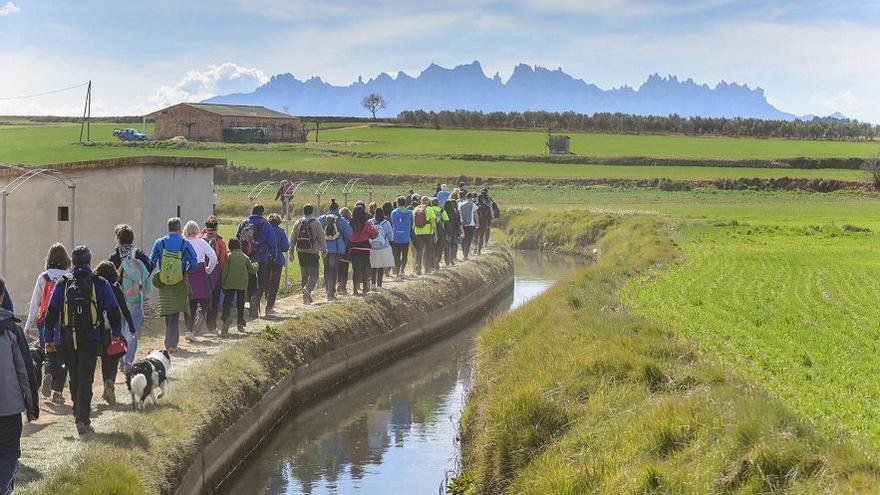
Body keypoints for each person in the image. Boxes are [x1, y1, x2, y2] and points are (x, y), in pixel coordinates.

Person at [43, 246, 121, 435]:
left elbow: (51, 312)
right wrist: (116, 333)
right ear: (89, 261)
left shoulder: (63, 283)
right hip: (92, 338)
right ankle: (83, 419)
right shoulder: (100, 283)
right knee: (86, 377)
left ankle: (78, 411)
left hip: (68, 338)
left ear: (73, 261)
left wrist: (48, 339)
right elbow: (113, 309)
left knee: (75, 376)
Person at [0, 279, 39, 494]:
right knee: (8, 454)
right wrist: (32, 407)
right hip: (9, 408)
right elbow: (25, 371)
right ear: (2, 297)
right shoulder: (12, 330)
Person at [23, 243, 70, 404]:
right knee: (63, 357)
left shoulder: (43, 277)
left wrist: (28, 326)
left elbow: (35, 303)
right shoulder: (69, 277)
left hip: (45, 322)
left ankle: (47, 374)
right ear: (66, 259)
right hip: (64, 322)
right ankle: (57, 392)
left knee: (49, 354)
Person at [109, 224, 154, 374]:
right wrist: (139, 283)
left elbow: (108, 276)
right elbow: (150, 265)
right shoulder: (137, 253)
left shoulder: (114, 256)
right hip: (134, 297)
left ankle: (120, 359)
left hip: (117, 299)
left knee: (119, 330)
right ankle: (127, 362)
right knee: (132, 331)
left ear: (118, 239)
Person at [151, 217, 198, 353]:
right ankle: (172, 342)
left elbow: (152, 261)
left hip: (164, 281)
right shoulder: (185, 243)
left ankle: (168, 341)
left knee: (167, 310)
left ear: (168, 228)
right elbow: (194, 262)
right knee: (175, 312)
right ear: (179, 228)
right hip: (179, 281)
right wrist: (186, 271)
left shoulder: (159, 243)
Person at [94, 261, 136, 406]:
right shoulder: (116, 288)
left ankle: (106, 388)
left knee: (103, 359)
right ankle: (110, 383)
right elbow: (124, 308)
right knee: (112, 358)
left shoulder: (96, 287)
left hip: (98, 330)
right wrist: (131, 327)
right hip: (114, 329)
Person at [236, 205, 278, 317]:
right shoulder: (266, 224)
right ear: (261, 213)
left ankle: (252, 307)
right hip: (262, 258)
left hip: (247, 258)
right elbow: (272, 242)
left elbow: (236, 239)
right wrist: (273, 256)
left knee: (250, 283)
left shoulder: (243, 223)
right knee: (262, 283)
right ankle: (255, 300)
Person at [184, 221, 218, 341]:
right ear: (197, 230)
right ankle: (201, 313)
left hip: (188, 274)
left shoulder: (184, 242)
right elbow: (213, 257)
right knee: (205, 298)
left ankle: (189, 330)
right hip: (201, 272)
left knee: (190, 304)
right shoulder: (202, 242)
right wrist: (208, 269)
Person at [291, 204, 326, 305]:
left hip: (301, 252)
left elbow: (293, 237)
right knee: (314, 274)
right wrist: (324, 249)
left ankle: (305, 299)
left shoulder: (298, 222)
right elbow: (321, 237)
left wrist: (291, 250)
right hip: (312, 252)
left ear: (303, 211)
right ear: (312, 211)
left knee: (304, 275)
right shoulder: (316, 223)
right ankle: (308, 289)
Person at [221, 238, 255, 335]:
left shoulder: (229, 256)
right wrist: (256, 265)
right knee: (240, 303)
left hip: (230, 283)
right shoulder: (244, 256)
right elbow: (252, 270)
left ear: (230, 246)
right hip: (242, 283)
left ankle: (225, 318)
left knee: (227, 302)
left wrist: (223, 283)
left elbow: (225, 271)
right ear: (239, 246)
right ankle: (240, 322)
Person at [319, 200, 352, 301]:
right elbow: (350, 234)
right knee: (333, 270)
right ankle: (331, 294)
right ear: (337, 209)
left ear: (329, 208)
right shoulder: (341, 220)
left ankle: (328, 290)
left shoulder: (322, 219)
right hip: (337, 249)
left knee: (326, 269)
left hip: (324, 248)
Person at [200, 216, 227, 333]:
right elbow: (223, 260)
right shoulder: (220, 241)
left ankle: (198, 322)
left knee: (201, 299)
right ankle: (211, 326)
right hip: (215, 274)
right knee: (215, 300)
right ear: (217, 227)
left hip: (200, 273)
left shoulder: (200, 239)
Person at [348, 205, 378, 296]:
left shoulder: (351, 223)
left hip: (354, 248)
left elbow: (348, 234)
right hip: (365, 248)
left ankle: (355, 290)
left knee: (355, 269)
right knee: (365, 268)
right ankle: (365, 288)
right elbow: (374, 234)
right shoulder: (366, 223)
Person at [265, 213, 290, 314]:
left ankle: (264, 299)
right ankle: (269, 306)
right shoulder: (280, 232)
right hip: (277, 260)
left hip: (265, 259)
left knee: (265, 281)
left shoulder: (265, 231)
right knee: (274, 283)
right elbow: (285, 247)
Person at [369, 208, 394, 290]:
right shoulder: (386, 223)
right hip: (383, 247)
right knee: (381, 266)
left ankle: (373, 284)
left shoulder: (370, 222)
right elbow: (391, 236)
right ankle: (379, 285)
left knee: (373, 266)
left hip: (372, 247)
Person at [412, 197, 436, 275]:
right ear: (428, 202)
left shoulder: (415, 209)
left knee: (419, 251)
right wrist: (435, 234)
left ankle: (418, 268)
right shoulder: (429, 209)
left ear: (421, 201)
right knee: (428, 251)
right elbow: (433, 223)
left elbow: (413, 222)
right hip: (428, 232)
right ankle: (427, 269)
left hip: (417, 232)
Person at [390, 196, 413, 278]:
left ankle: (397, 271)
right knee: (404, 254)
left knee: (396, 255)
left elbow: (393, 223)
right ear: (405, 203)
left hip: (396, 236)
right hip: (406, 236)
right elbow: (412, 224)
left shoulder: (393, 212)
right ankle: (402, 270)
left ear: (397, 203)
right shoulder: (410, 212)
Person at [429, 197, 449, 271]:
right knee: (439, 247)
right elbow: (446, 221)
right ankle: (437, 259)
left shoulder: (429, 210)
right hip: (440, 231)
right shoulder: (441, 210)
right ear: (438, 203)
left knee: (431, 248)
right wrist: (448, 233)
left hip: (430, 231)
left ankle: (431, 264)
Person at [337, 207, 353, 295]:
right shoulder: (348, 224)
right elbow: (350, 235)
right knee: (345, 268)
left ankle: (338, 283)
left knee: (339, 268)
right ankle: (343, 287)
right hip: (346, 249)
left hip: (337, 248)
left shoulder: (337, 222)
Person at [459, 192, 479, 261]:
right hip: (471, 224)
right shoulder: (473, 205)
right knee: (468, 240)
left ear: (465, 197)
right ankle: (466, 256)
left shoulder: (460, 204)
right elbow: (476, 215)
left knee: (463, 240)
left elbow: (459, 214)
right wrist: (477, 223)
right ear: (471, 198)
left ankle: (464, 254)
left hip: (462, 224)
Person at [443, 199, 463, 266]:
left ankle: (447, 261)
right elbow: (458, 223)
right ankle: (452, 258)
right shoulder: (455, 213)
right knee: (453, 245)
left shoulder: (443, 212)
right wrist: (460, 231)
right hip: (454, 231)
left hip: (445, 231)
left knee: (446, 247)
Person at [476, 189, 494, 254]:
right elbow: (489, 215)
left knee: (476, 236)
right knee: (481, 236)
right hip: (483, 222)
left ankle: (475, 248)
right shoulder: (487, 205)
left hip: (475, 222)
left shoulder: (475, 205)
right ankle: (479, 250)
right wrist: (488, 223)